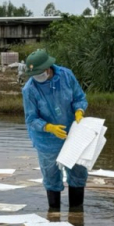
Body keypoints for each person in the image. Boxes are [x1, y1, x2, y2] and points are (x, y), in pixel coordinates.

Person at [21, 49, 88, 211]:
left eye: (39, 73)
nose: (37, 77)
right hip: (46, 141)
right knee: (51, 175)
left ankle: (77, 213)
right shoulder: (30, 90)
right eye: (33, 74)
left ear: (48, 68)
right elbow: (31, 119)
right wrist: (49, 127)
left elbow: (79, 98)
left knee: (78, 171)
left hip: (72, 134)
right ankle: (54, 213)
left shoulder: (66, 76)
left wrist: (79, 111)